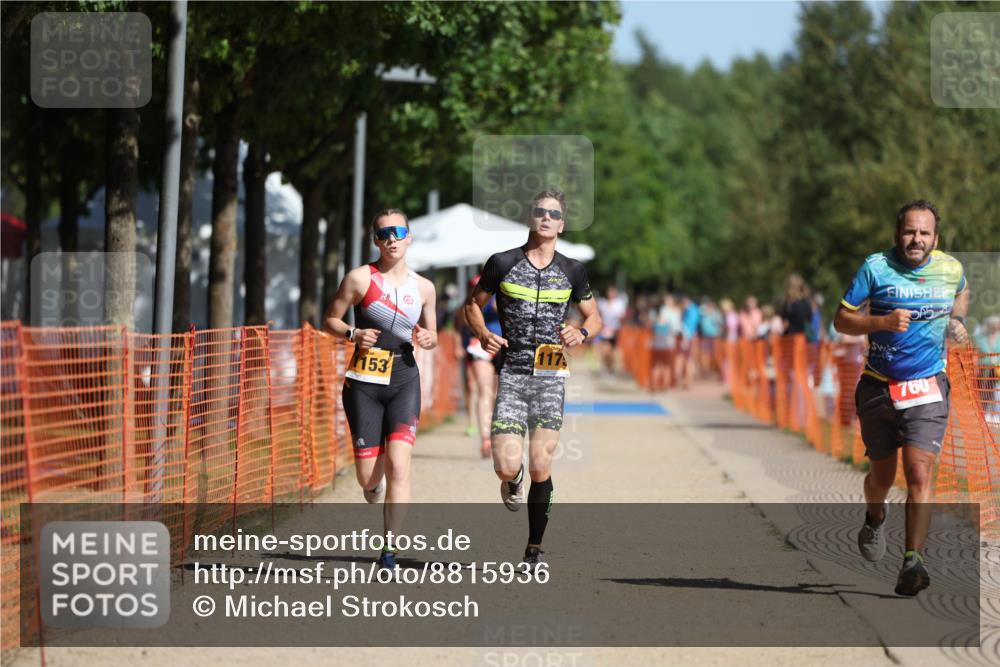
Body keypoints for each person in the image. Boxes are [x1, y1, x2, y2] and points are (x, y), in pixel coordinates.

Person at [834, 199, 969, 596]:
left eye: (924, 233)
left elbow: (961, 291)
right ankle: (875, 517)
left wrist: (957, 320)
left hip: (927, 386)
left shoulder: (950, 269)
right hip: (878, 386)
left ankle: (913, 562)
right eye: (910, 231)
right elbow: (841, 319)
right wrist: (881, 322)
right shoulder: (876, 268)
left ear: (936, 238)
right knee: (882, 477)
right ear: (898, 234)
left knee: (919, 472)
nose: (917, 239)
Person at [463, 190, 602, 568]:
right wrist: (483, 333)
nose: (545, 218)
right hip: (512, 373)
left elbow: (595, 316)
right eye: (539, 211)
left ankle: (534, 549)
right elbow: (471, 305)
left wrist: (583, 332)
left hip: (550, 376)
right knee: (507, 465)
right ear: (530, 218)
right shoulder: (503, 262)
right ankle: (513, 478)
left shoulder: (572, 270)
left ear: (561, 223)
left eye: (553, 214)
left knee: (543, 463)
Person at [323, 208, 438, 569]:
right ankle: (376, 489)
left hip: (404, 379)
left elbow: (431, 334)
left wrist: (428, 337)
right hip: (364, 384)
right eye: (384, 233)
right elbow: (330, 319)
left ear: (409, 237)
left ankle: (389, 550)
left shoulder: (424, 288)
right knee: (369, 481)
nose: (392, 239)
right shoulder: (359, 279)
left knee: (399, 466)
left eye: (398, 231)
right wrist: (352, 333)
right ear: (375, 240)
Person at [455, 274, 502, 458]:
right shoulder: (470, 303)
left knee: (499, 394)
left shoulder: (503, 292)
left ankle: (497, 434)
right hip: (479, 346)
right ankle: (485, 439)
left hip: (502, 345)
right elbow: (461, 323)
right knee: (484, 391)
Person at [651, 295, 681, 391]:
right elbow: (676, 329)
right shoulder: (673, 313)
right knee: (665, 365)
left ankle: (658, 384)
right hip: (668, 343)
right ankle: (663, 384)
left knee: (659, 364)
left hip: (661, 344)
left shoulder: (667, 313)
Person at [596, 286, 627, 375]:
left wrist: (619, 321)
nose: (611, 294)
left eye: (613, 292)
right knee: (605, 350)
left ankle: (610, 368)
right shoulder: (603, 304)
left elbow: (622, 317)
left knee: (612, 352)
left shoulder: (619, 303)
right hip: (605, 330)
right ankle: (606, 367)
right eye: (610, 292)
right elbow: (599, 314)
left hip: (615, 331)